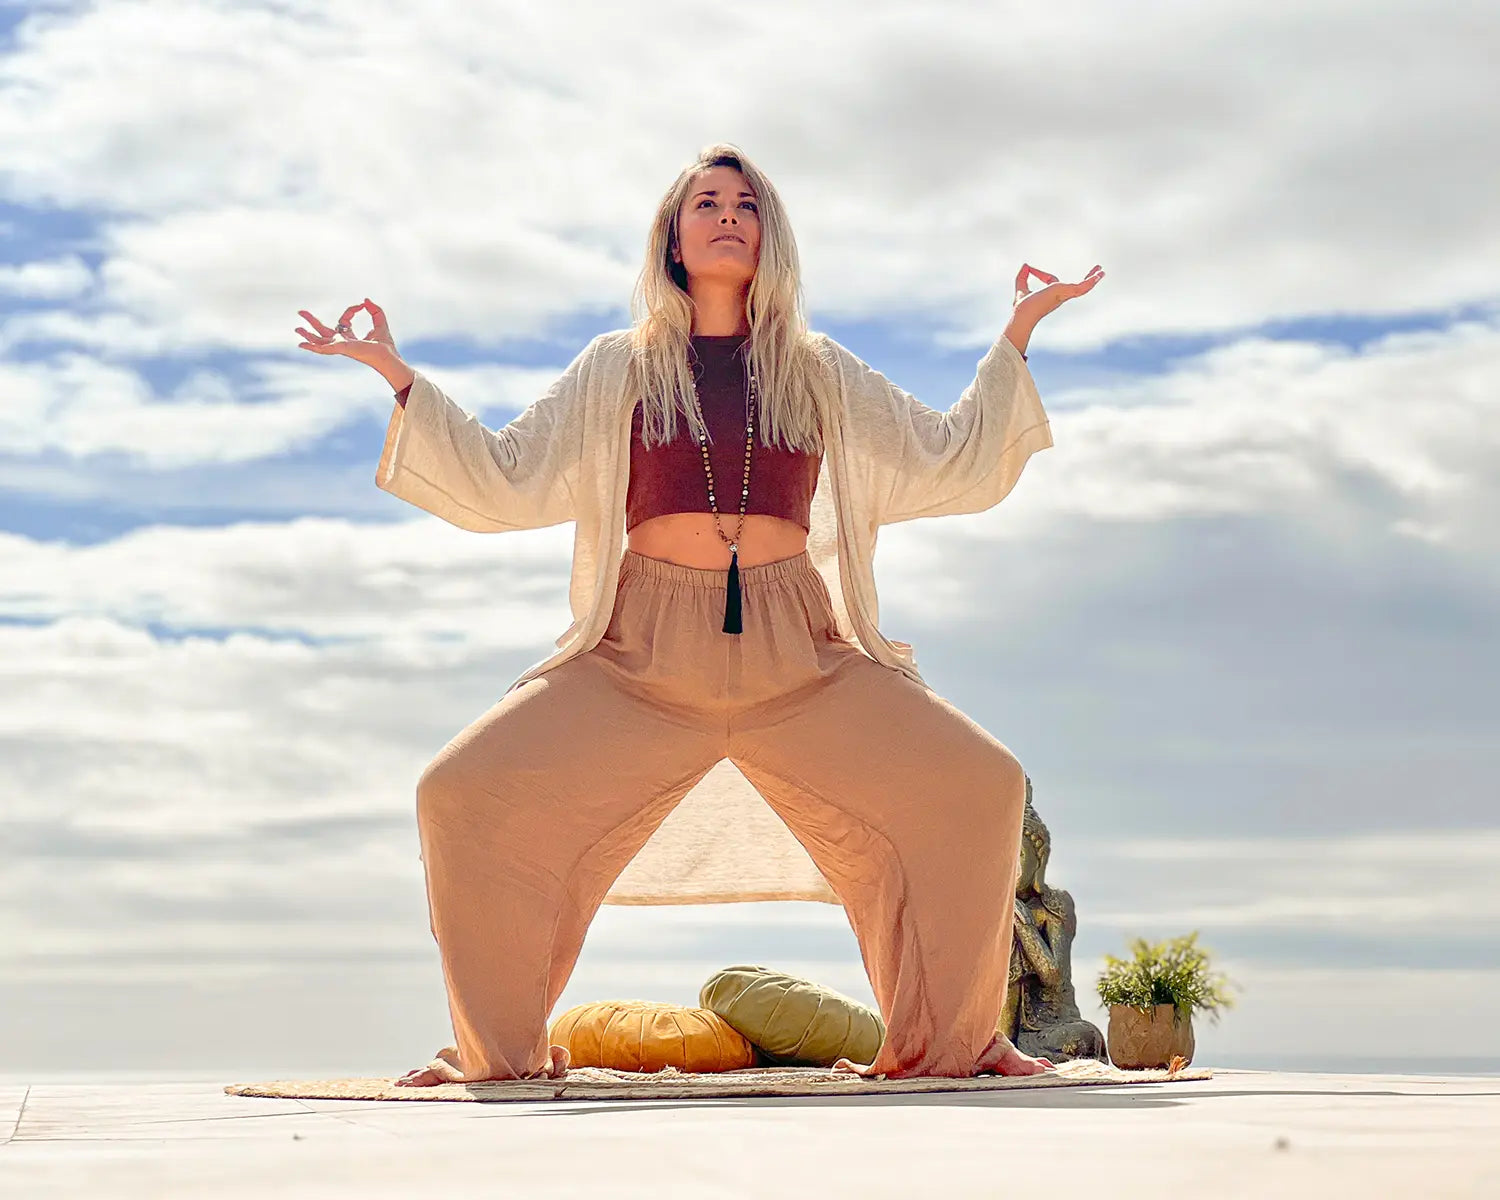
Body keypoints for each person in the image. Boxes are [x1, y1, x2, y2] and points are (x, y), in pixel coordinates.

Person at [294, 143, 1103, 1086]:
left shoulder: (816, 368)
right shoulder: (619, 367)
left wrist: (1019, 335)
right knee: (462, 792)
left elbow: (944, 453)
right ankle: (498, 1054)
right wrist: (400, 379)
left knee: (980, 783)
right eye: (706, 202)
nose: (727, 215)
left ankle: (956, 1043)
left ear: (769, 234)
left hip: (798, 650)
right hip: (640, 653)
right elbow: (507, 473)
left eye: (746, 204)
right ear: (673, 239)